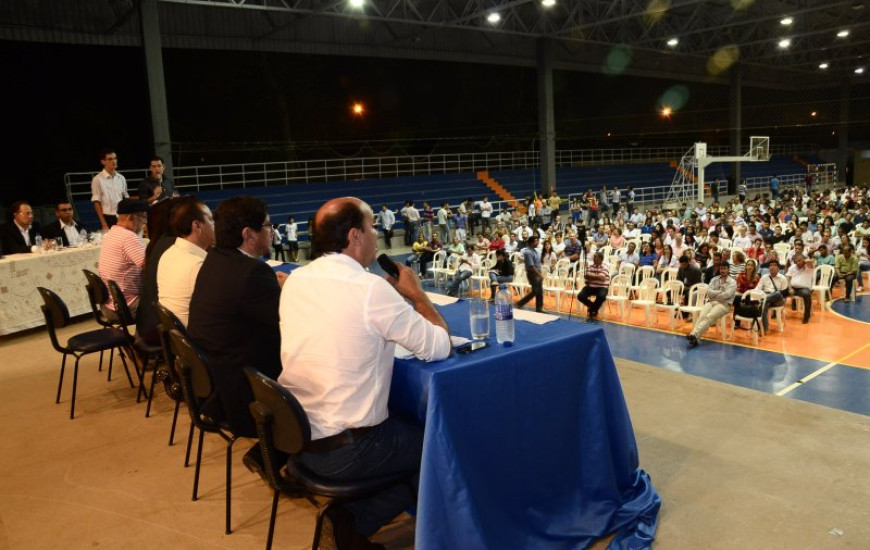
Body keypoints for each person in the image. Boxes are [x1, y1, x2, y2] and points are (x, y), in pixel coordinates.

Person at [278, 197, 450, 550]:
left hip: (297, 437)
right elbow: (439, 346)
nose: (376, 236)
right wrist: (418, 297)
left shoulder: (296, 280)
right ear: (355, 236)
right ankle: (357, 524)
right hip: (346, 449)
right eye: (372, 228)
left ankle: (350, 514)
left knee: (404, 431)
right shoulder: (370, 288)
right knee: (441, 445)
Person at [187, 196, 288, 438]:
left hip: (215, 385)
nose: (271, 232)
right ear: (248, 234)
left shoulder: (215, 259)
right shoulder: (253, 272)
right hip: (244, 394)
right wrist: (291, 289)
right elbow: (289, 320)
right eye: (267, 226)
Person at [156, 199, 215, 327]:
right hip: (196, 340)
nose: (214, 224)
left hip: (177, 340)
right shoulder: (197, 265)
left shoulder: (169, 253)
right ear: (197, 225)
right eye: (211, 219)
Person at [97, 199, 148, 317]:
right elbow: (149, 267)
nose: (145, 223)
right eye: (144, 217)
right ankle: (144, 335)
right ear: (131, 217)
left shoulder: (112, 233)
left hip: (110, 304)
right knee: (170, 304)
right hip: (127, 306)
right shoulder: (129, 237)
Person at [687, 262, 736, 348]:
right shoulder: (714, 279)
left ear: (728, 270)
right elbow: (709, 292)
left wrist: (715, 294)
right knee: (702, 315)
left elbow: (727, 295)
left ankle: (694, 334)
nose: (723, 271)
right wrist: (720, 293)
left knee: (709, 317)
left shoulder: (732, 282)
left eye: (725, 269)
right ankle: (694, 336)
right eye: (721, 269)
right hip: (711, 301)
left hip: (724, 304)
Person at [91, 148, 129, 230]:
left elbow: (125, 198)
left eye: (115, 158)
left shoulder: (121, 178)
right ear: (103, 162)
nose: (114, 161)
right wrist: (104, 223)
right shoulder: (97, 179)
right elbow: (97, 203)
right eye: (110, 159)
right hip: (108, 217)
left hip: (122, 216)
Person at [754, 259, 787, 334]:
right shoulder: (764, 277)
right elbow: (757, 288)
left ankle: (763, 300)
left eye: (774, 265)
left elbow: (784, 293)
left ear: (778, 268)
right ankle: (764, 328)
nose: (772, 267)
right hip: (766, 297)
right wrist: (754, 293)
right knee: (764, 304)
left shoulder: (782, 278)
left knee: (778, 293)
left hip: (777, 298)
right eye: (770, 265)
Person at [577, 251, 610, 320]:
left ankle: (591, 309)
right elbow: (586, 276)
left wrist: (592, 276)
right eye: (594, 257)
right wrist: (597, 276)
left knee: (601, 296)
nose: (593, 259)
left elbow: (602, 278)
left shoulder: (605, 266)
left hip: (602, 287)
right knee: (580, 296)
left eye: (595, 257)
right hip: (590, 286)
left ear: (600, 259)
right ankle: (593, 308)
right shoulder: (590, 266)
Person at [516, 234, 544, 313]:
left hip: (537, 273)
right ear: (531, 243)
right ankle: (520, 303)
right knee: (536, 291)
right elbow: (531, 266)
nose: (537, 242)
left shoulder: (535, 250)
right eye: (535, 241)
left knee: (539, 291)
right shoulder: (528, 252)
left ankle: (539, 308)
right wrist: (539, 274)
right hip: (533, 274)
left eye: (537, 241)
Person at [786, 253, 814, 324]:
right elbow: (788, 278)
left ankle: (806, 317)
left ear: (804, 260)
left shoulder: (808, 267)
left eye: (800, 260)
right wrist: (789, 288)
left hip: (803, 288)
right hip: (793, 288)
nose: (798, 262)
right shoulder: (792, 267)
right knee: (779, 292)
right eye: (796, 261)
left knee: (807, 294)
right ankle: (775, 313)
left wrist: (805, 260)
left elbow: (810, 261)